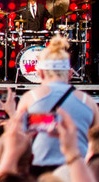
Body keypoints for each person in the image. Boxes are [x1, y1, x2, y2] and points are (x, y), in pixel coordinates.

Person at [16, 36, 99, 170]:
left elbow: (17, 138)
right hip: (78, 172)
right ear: (70, 74)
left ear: (40, 73)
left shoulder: (30, 98)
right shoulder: (88, 102)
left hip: (40, 172)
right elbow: (96, 144)